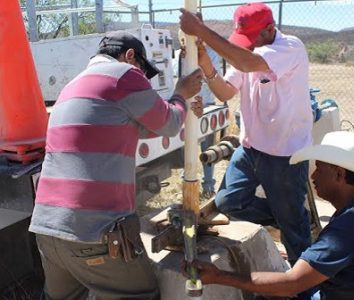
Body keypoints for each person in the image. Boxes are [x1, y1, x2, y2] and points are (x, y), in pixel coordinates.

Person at [29, 30, 203, 300]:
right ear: (129, 56)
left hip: (48, 230)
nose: (143, 79)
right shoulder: (124, 75)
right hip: (93, 231)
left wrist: (184, 111)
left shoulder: (72, 86)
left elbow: (138, 127)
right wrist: (181, 95)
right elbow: (168, 123)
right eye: (142, 71)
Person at [187, 131, 354, 300]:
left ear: (339, 174)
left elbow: (291, 284)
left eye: (319, 169)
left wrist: (218, 276)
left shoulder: (350, 227)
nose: (312, 176)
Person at [180, 2, 313, 265]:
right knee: (229, 201)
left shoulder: (290, 47)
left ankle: (303, 286)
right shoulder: (248, 53)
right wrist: (206, 62)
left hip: (284, 153)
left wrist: (201, 30)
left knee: (295, 234)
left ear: (270, 29)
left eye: (250, 39)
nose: (246, 44)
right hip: (251, 149)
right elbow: (225, 91)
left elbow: (247, 62)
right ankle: (290, 216)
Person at [173, 12, 222, 199]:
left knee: (207, 150)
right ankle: (188, 180)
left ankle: (208, 186)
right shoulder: (177, 57)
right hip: (184, 108)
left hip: (206, 105)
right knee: (187, 148)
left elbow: (211, 79)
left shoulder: (209, 55)